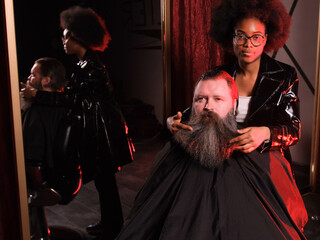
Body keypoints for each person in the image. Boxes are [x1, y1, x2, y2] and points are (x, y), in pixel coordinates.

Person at [116, 69, 307, 240]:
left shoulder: (258, 149)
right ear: (193, 104)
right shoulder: (173, 151)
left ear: (234, 106)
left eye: (218, 99)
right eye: (201, 99)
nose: (208, 106)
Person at [166, 0, 307, 229]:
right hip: (219, 158)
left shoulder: (285, 75)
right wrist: (174, 120)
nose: (248, 44)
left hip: (263, 165)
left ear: (267, 38)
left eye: (256, 37)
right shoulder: (219, 74)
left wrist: (265, 133)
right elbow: (198, 110)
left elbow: (293, 129)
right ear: (230, 37)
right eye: (241, 36)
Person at [21, 6, 134, 239]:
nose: (63, 42)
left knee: (106, 182)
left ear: (77, 37)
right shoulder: (84, 64)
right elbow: (74, 95)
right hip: (98, 129)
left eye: (66, 37)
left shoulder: (92, 66)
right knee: (104, 183)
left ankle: (113, 227)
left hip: (103, 132)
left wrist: (39, 95)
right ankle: (110, 223)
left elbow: (73, 98)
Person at [22, 57, 81, 238]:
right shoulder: (66, 107)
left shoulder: (36, 112)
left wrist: (38, 188)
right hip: (69, 179)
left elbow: (32, 161)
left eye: (33, 75)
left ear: (46, 80)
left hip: (46, 183)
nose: (29, 78)